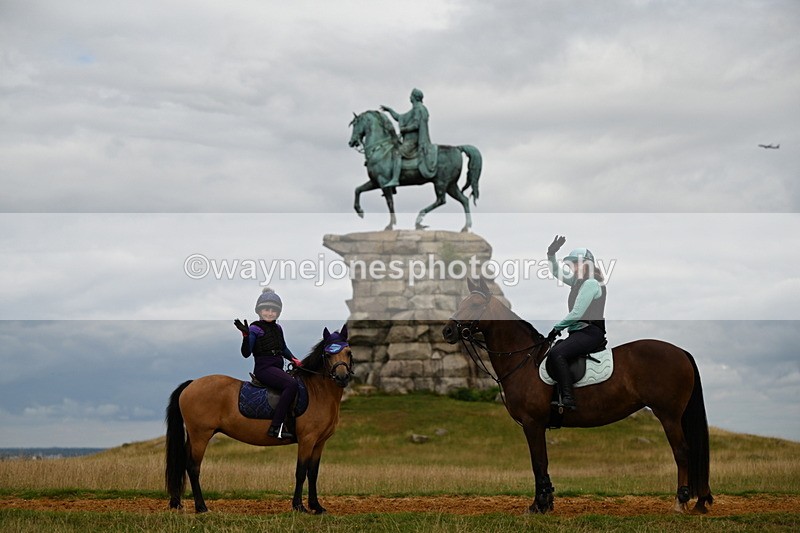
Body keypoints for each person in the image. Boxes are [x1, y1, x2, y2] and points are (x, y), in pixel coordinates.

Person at [544, 235, 607, 410]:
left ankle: (568, 399)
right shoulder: (578, 282)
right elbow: (556, 271)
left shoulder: (591, 284)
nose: (572, 267)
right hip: (579, 333)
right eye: (571, 264)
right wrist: (551, 253)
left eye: (576, 263)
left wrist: (557, 327)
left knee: (557, 354)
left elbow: (577, 313)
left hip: (590, 332)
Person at [234, 288, 303, 440]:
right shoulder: (254, 328)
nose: (270, 312)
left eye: (273, 310)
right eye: (266, 309)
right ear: (259, 311)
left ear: (278, 312)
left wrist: (294, 359)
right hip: (264, 368)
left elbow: (283, 348)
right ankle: (276, 427)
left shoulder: (278, 328)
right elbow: (246, 353)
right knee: (291, 385)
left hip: (277, 367)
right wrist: (246, 336)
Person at [380, 88, 437, 182]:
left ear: (414, 97)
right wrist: (389, 110)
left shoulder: (419, 109)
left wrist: (404, 129)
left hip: (413, 141)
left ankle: (395, 179)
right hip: (409, 141)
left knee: (397, 153)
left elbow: (416, 125)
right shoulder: (415, 109)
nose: (409, 97)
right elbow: (399, 117)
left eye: (411, 95)